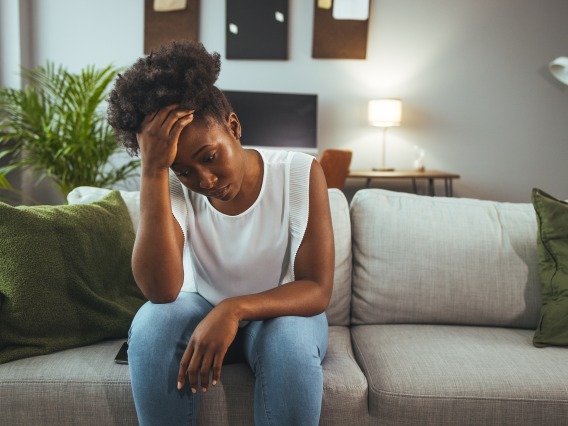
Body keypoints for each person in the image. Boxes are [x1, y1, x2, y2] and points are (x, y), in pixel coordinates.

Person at [107, 40, 334, 426]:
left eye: (209, 157)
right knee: (150, 325)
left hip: (283, 314)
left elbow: (316, 288)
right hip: (200, 308)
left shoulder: (300, 172)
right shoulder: (172, 184)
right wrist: (153, 171)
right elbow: (161, 291)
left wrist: (234, 308)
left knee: (291, 344)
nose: (205, 180)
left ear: (233, 126)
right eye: (184, 170)